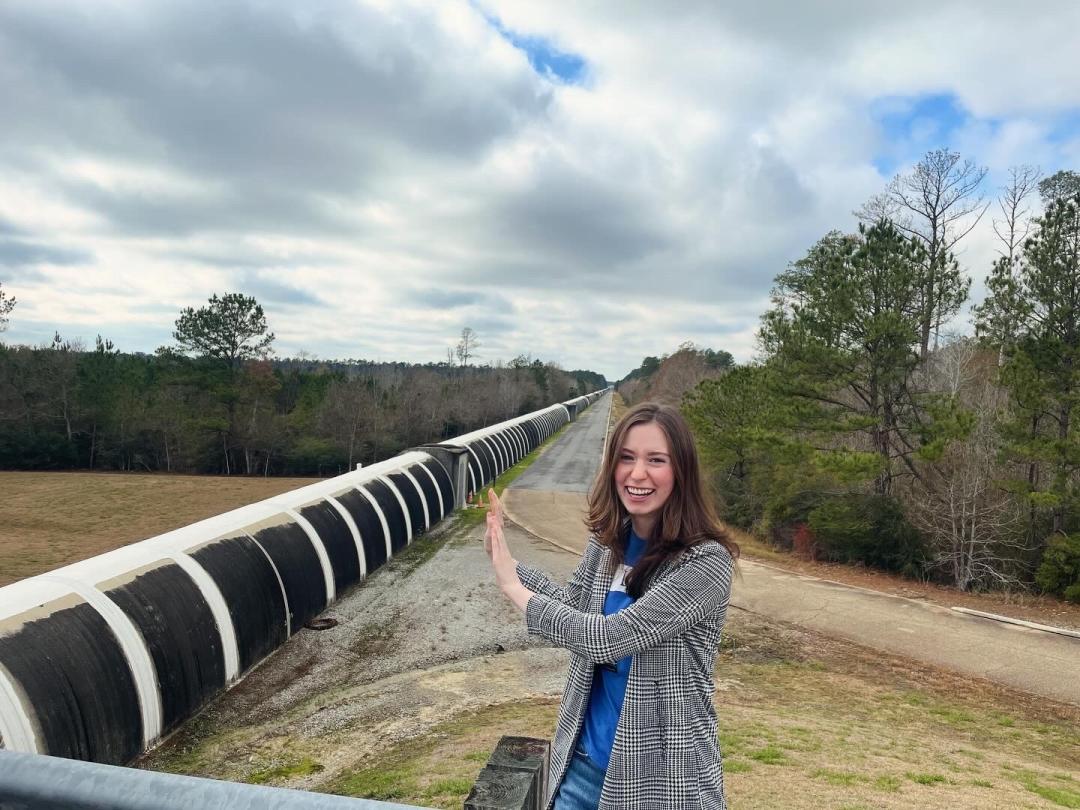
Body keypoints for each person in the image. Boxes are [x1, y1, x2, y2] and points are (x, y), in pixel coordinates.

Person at [484, 401, 739, 810]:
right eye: (627, 458)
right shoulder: (607, 544)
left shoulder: (705, 563)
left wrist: (516, 591)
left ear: (682, 472)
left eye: (656, 460)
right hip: (582, 769)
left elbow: (609, 638)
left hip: (662, 782)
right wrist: (508, 564)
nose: (638, 474)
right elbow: (574, 608)